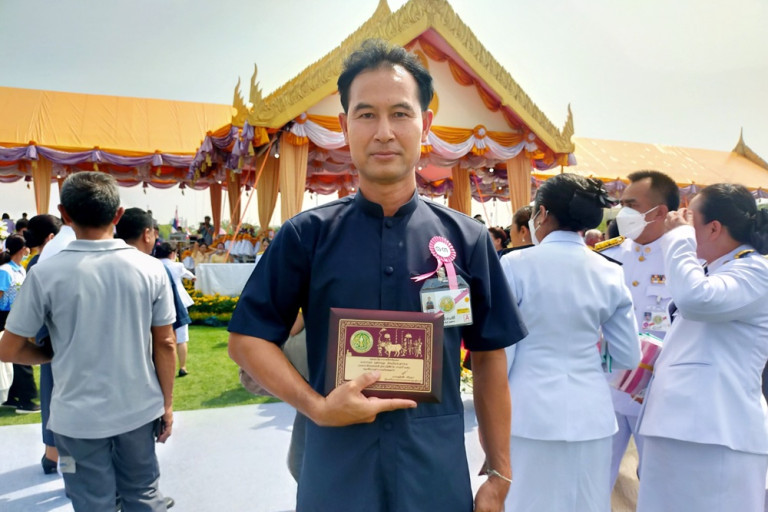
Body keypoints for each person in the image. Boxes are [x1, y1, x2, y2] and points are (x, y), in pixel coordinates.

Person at [228, 39, 526, 512]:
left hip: (433, 475)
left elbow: (489, 357)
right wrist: (317, 406)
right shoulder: (306, 236)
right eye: (366, 115)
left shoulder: (466, 240)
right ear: (345, 126)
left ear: (425, 124)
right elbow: (247, 340)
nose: (384, 132)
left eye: (400, 114)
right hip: (337, 474)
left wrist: (499, 470)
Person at [0, 171, 176, 511]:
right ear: (118, 214)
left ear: (64, 214)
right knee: (143, 495)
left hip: (76, 416)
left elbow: (10, 348)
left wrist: (49, 354)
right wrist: (166, 404)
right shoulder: (151, 269)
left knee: (92, 502)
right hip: (138, 407)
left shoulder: (45, 273)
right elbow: (166, 343)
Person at [500, 174, 640, 512]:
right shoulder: (610, 270)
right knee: (585, 503)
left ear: (542, 213)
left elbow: (502, 354)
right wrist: (593, 363)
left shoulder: (515, 264)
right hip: (591, 413)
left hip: (527, 411)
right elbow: (627, 355)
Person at [635, 184, 768, 512]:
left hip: (714, 432)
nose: (679, 223)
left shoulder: (755, 271)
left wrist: (678, 238)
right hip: (681, 427)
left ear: (714, 228)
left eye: (689, 219)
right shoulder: (718, 270)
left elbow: (697, 300)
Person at [595, 169, 680, 487]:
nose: (623, 212)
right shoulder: (607, 256)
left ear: (659, 212)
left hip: (660, 392)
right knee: (595, 479)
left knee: (659, 484)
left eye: (631, 204)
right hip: (608, 386)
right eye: (622, 203)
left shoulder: (685, 259)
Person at [22, 214, 63, 472]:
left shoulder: (34, 264)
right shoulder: (62, 258)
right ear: (51, 237)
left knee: (51, 394)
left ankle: (52, 453)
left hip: (48, 338)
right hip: (71, 337)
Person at [0, 233, 39, 414]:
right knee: (20, 356)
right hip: (5, 316)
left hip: (16, 315)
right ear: (23, 249)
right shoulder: (5, 271)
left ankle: (13, 397)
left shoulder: (19, 269)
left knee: (14, 358)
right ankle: (26, 400)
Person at [154, 241, 195, 377]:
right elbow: (187, 273)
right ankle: (182, 366)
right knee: (181, 337)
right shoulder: (177, 266)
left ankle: (160, 367)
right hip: (178, 301)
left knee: (158, 337)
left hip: (158, 301)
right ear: (172, 254)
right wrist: (192, 277)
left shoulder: (152, 264)